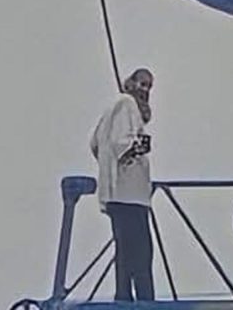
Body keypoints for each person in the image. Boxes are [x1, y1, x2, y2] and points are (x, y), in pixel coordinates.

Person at [90, 68, 155, 302]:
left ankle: (125, 298)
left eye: (148, 86)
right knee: (141, 253)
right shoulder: (126, 104)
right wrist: (137, 147)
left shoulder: (116, 108)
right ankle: (143, 301)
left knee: (126, 252)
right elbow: (121, 144)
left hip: (120, 195)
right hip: (128, 196)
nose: (145, 90)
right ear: (131, 83)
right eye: (142, 84)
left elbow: (95, 142)